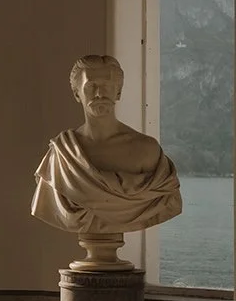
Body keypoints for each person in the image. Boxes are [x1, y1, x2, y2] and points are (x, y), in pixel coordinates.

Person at [32, 54, 181, 257]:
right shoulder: (61, 155)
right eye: (90, 86)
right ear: (77, 94)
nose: (100, 93)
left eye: (107, 86)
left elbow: (168, 199)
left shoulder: (146, 150)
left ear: (118, 92)